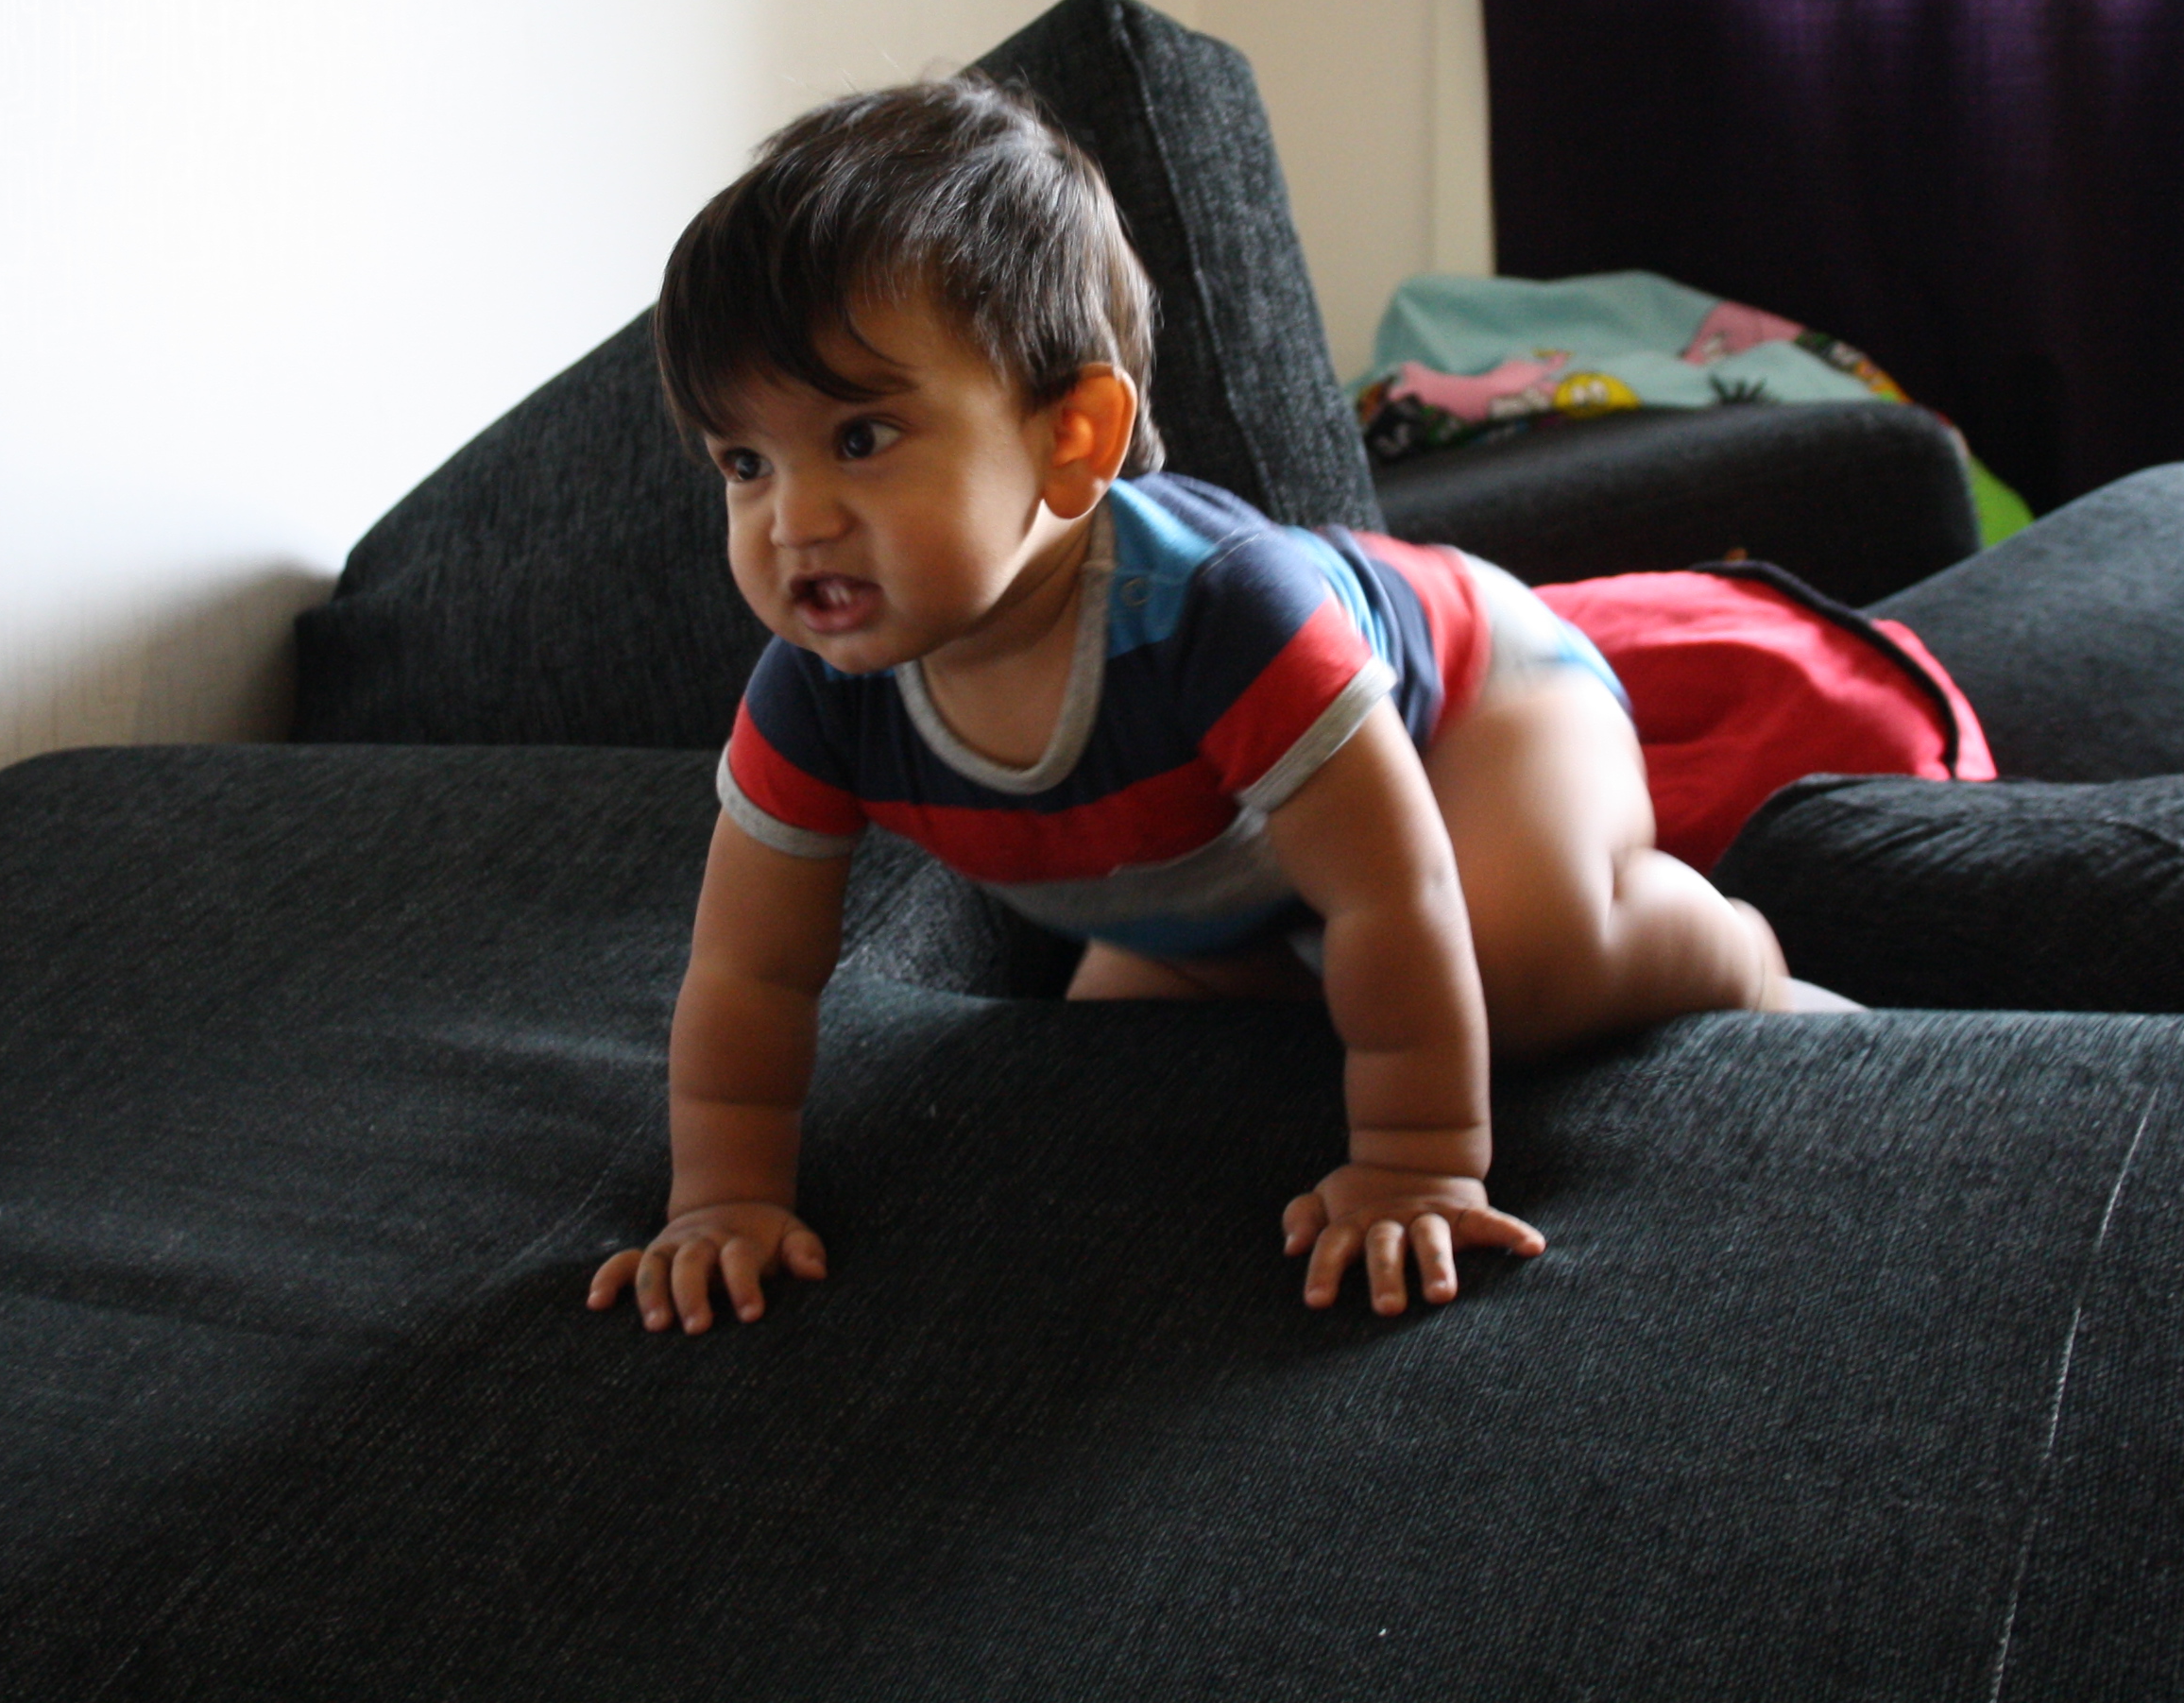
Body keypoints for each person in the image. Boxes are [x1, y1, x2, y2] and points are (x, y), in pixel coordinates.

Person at [588, 76, 1850, 1337]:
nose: (794, 519)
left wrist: (1415, 1162)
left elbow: (1391, 892)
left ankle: (1729, 950)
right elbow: (750, 970)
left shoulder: (1217, 613)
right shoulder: (816, 693)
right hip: (1224, 856)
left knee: (1514, 964)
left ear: (1072, 438)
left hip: (1473, 692)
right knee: (1120, 1079)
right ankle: (1279, 956)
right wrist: (724, 1198)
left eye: (861, 439)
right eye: (745, 462)